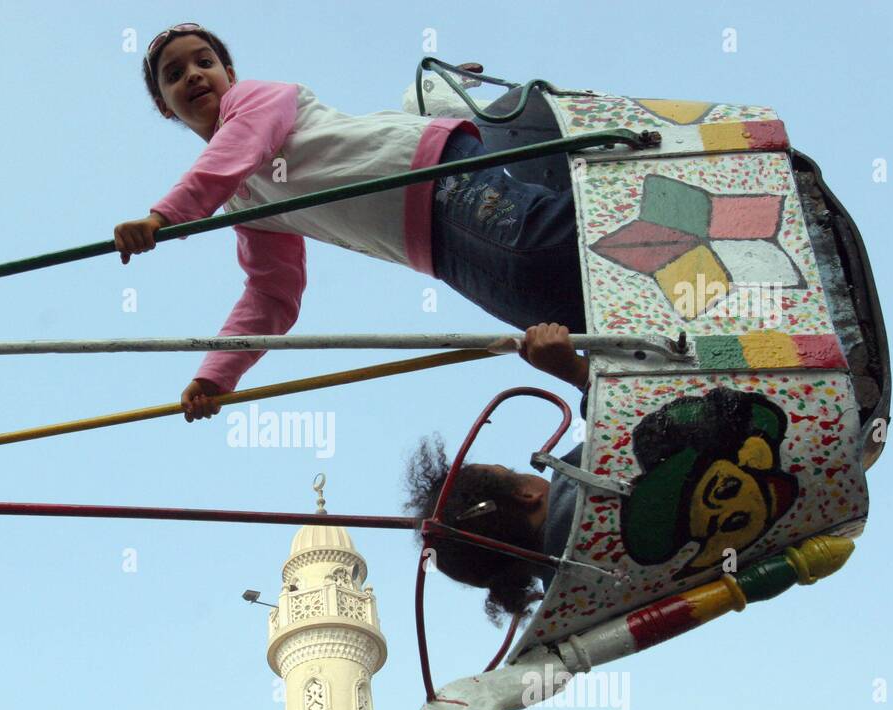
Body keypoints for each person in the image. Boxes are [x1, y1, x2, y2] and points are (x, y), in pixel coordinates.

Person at [112, 23, 585, 423]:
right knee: (539, 299)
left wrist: (164, 218)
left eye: (204, 62)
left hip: (433, 173)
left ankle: (634, 219)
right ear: (165, 105)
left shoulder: (260, 102)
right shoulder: (243, 201)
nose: (194, 75)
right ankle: (633, 344)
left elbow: (238, 148)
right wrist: (216, 373)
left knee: (537, 243)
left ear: (230, 75)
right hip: (430, 247)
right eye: (175, 75)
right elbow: (270, 295)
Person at [404, 322, 588, 628]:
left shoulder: (579, 602)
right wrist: (576, 371)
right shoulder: (588, 486)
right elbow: (644, 410)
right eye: (511, 471)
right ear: (527, 495)